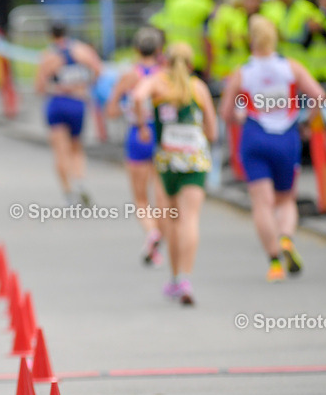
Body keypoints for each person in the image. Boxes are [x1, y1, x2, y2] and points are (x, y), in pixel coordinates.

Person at [219, 15, 325, 282]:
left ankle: (274, 261)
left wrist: (239, 116)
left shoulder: (242, 72)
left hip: (255, 137)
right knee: (286, 199)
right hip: (286, 138)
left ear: (250, 39)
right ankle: (287, 239)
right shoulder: (291, 67)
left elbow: (225, 112)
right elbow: (319, 96)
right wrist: (305, 121)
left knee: (262, 204)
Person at [133, 42, 218, 306]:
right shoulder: (199, 88)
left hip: (167, 161)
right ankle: (184, 278)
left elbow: (137, 97)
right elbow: (213, 132)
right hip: (194, 161)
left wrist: (142, 125)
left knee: (170, 220)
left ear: (164, 61)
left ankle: (173, 278)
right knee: (190, 219)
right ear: (191, 64)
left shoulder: (158, 83)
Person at [104, 27, 167, 265]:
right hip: (162, 134)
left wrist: (126, 107)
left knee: (141, 197)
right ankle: (159, 236)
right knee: (161, 193)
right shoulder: (165, 74)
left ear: (135, 49)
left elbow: (110, 110)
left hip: (138, 133)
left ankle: (152, 233)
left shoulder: (130, 75)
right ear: (159, 50)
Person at [34, 21, 103, 206]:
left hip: (57, 102)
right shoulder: (82, 51)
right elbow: (98, 70)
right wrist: (84, 84)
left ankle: (67, 192)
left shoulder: (48, 55)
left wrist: (55, 86)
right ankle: (79, 181)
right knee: (76, 147)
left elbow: (39, 86)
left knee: (60, 151)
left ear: (51, 35)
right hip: (77, 102)